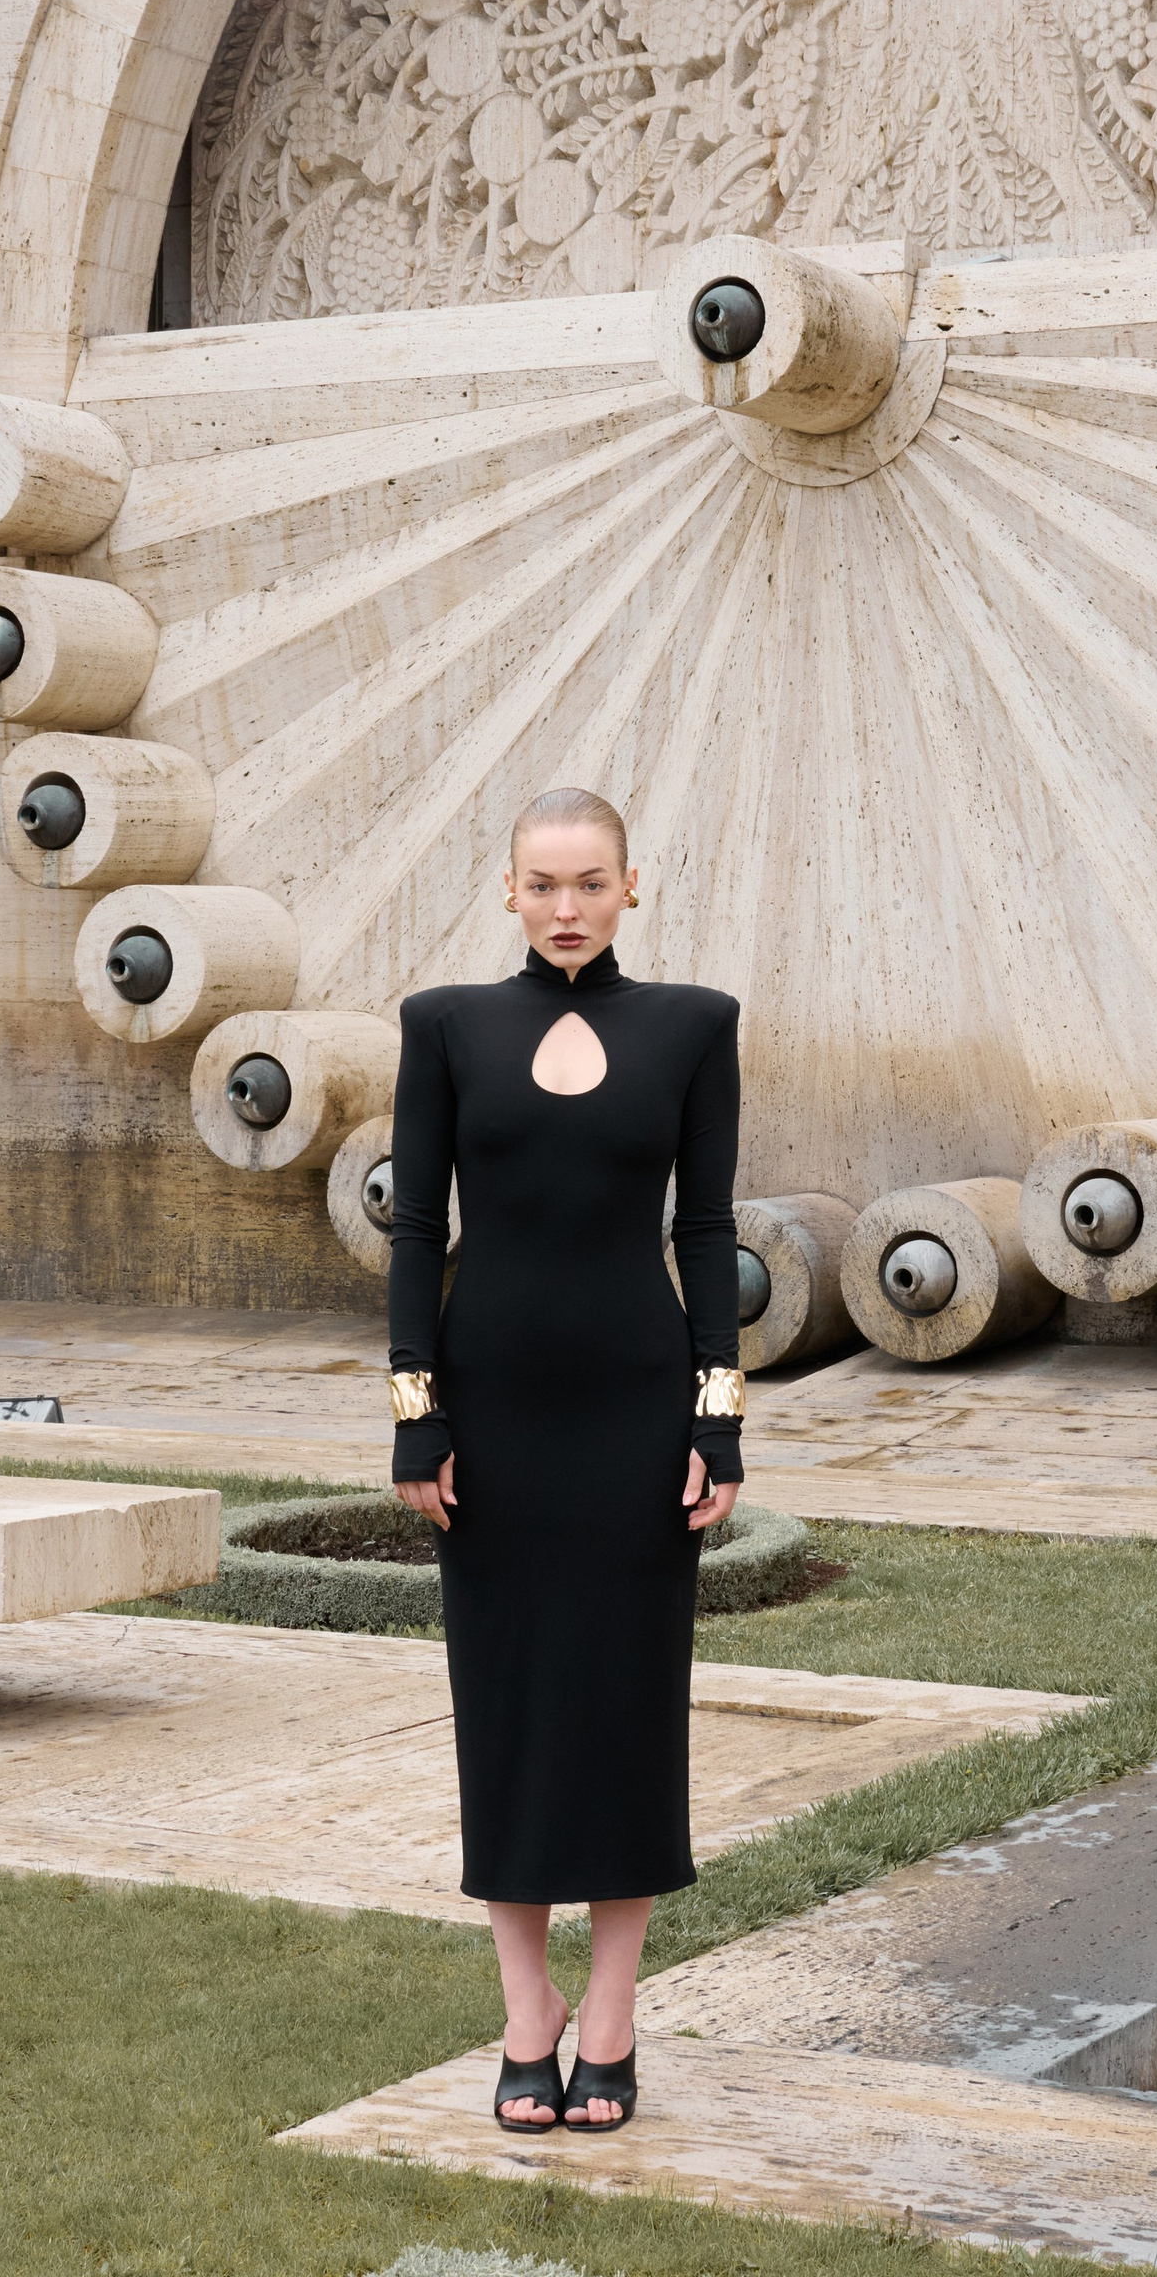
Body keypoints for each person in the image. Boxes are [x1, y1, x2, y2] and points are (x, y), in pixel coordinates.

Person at [387, 786, 744, 2133]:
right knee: (512, 1707)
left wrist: (720, 1418)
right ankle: (522, 2010)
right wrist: (419, 1410)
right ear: (508, 889)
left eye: (590, 882)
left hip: (638, 1415)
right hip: (492, 1418)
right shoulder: (446, 1027)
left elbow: (704, 1232)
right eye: (544, 883)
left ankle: (612, 2014)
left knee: (626, 1706)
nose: (567, 906)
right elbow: (417, 1225)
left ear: (630, 885)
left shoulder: (693, 1028)